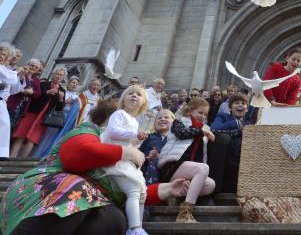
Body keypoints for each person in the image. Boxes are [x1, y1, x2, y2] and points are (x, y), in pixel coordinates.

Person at [1, 99, 189, 235]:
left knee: (114, 219)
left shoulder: (125, 147)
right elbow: (75, 156)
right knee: (75, 190)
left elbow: (130, 189)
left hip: (94, 200)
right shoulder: (89, 131)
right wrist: (123, 153)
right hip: (46, 189)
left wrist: (167, 189)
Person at [100, 85, 150, 235]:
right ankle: (135, 229)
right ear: (123, 100)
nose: (134, 96)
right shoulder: (119, 114)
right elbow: (113, 132)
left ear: (143, 103)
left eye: (138, 95)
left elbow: (131, 143)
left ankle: (137, 227)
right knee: (133, 191)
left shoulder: (135, 122)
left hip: (126, 159)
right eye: (130, 94)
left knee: (141, 193)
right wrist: (135, 133)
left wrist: (139, 140)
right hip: (116, 159)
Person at [158, 98, 216, 222]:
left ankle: (174, 194)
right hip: (173, 166)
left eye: (205, 114)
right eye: (200, 112)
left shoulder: (204, 128)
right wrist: (202, 132)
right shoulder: (178, 122)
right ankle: (185, 213)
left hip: (189, 170)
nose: (203, 116)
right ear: (190, 111)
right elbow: (182, 134)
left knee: (210, 185)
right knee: (203, 168)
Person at [11, 66, 66, 158]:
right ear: (53, 74)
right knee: (21, 134)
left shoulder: (62, 90)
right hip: (32, 112)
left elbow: (59, 109)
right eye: (57, 74)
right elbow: (35, 96)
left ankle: (20, 161)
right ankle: (10, 157)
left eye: (61, 75)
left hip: (43, 118)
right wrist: (46, 93)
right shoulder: (43, 84)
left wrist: (60, 99)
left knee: (32, 139)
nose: (58, 76)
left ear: (63, 78)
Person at [210, 92, 252, 192]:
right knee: (223, 138)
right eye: (236, 103)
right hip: (225, 156)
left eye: (243, 103)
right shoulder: (223, 117)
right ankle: (214, 190)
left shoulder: (249, 125)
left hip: (242, 159)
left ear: (246, 109)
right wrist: (236, 124)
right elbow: (214, 129)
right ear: (230, 108)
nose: (240, 105)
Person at [35, 75, 82, 157]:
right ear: (68, 83)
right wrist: (65, 102)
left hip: (67, 121)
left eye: (76, 83)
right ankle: (39, 155)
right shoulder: (62, 91)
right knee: (48, 137)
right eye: (72, 82)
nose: (74, 85)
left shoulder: (78, 97)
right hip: (56, 117)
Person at [1, 43, 25, 159]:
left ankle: (2, 155)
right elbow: (8, 78)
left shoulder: (5, 69)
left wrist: (20, 77)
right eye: (1, 53)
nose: (2, 56)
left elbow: (14, 90)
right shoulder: (4, 70)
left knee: (4, 126)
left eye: (5, 55)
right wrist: (16, 72)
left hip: (2, 103)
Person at [139, 109, 175, 186]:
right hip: (148, 171)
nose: (162, 119)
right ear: (155, 123)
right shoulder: (149, 137)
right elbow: (139, 154)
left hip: (169, 170)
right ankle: (151, 191)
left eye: (166, 117)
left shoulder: (176, 138)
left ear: (174, 122)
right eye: (159, 118)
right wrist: (148, 157)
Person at [7, 58, 42, 128]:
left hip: (22, 107)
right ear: (28, 65)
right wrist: (22, 90)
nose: (33, 68)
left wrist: (32, 92)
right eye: (32, 65)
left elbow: (38, 93)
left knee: (10, 126)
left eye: (36, 67)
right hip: (11, 102)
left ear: (38, 70)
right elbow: (11, 84)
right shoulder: (20, 72)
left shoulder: (36, 80)